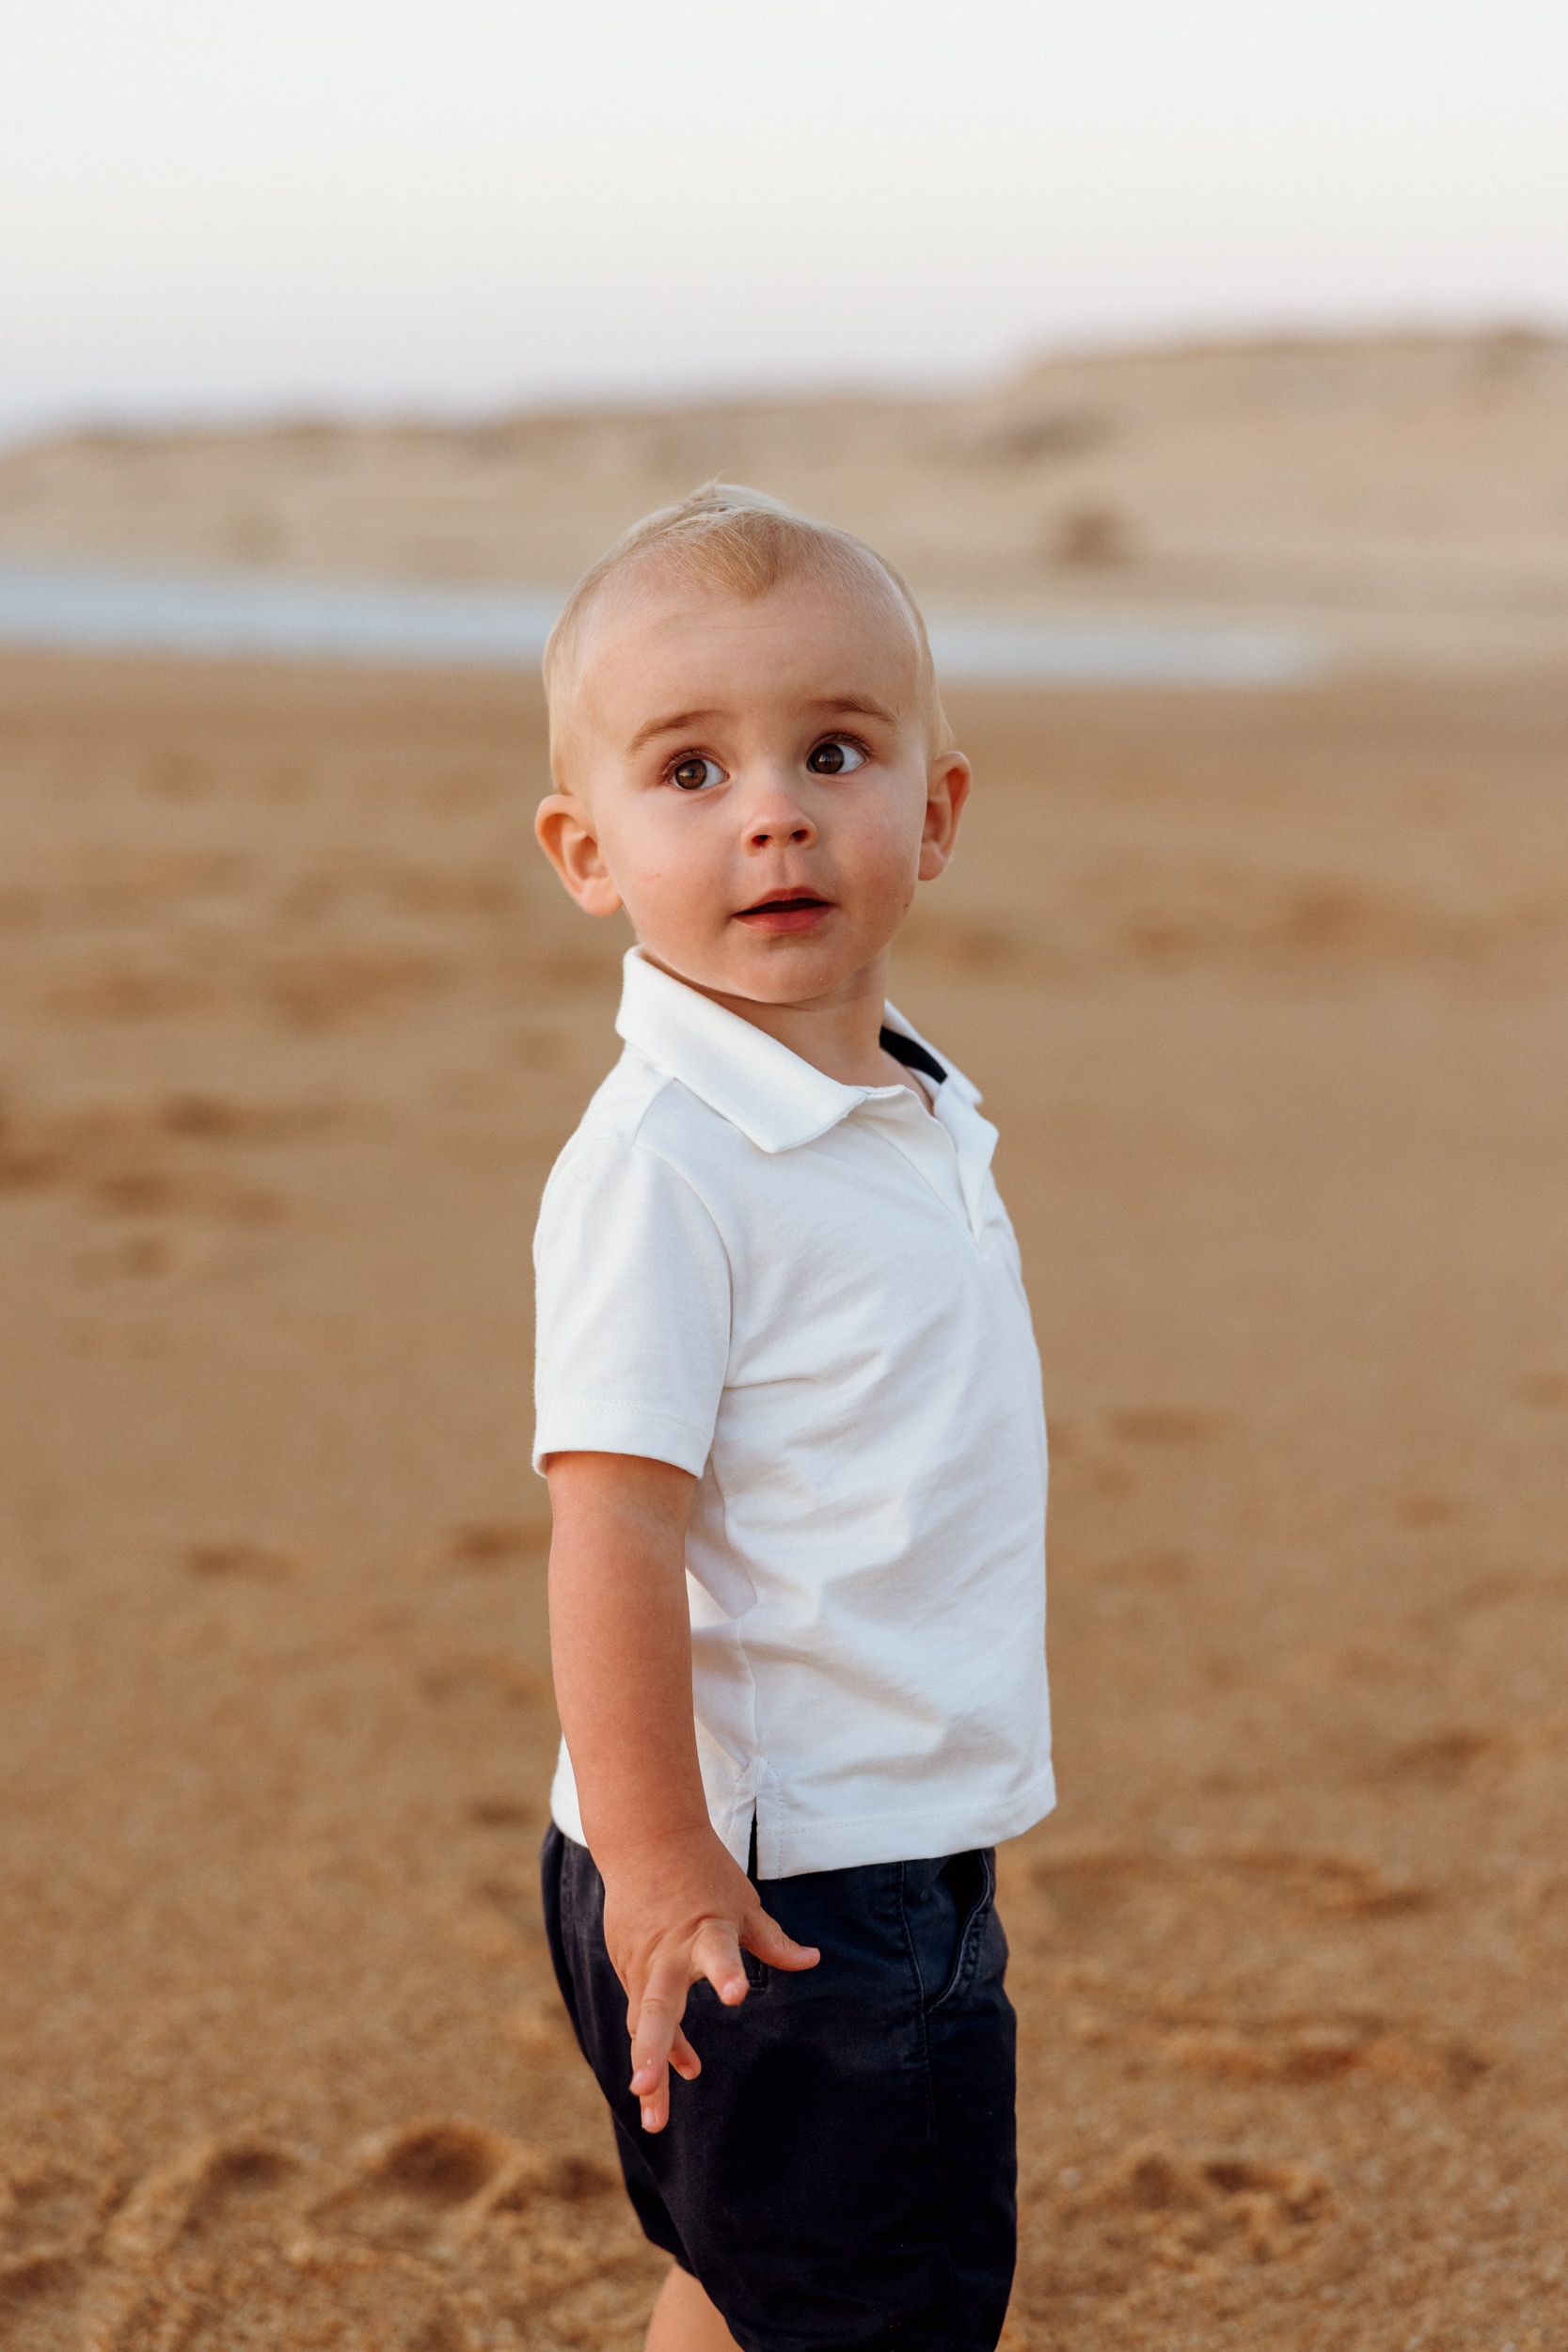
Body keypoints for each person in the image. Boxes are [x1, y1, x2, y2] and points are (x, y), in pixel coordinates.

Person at [531, 484, 1053, 2352]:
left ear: (935, 809)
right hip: (777, 1878)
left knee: (748, 2272)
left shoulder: (897, 1097)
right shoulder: (672, 1163)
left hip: (821, 1829)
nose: (770, 808)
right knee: (870, 2307)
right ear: (587, 851)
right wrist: (668, 1858)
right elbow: (614, 1525)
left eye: (831, 748)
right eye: (690, 769)